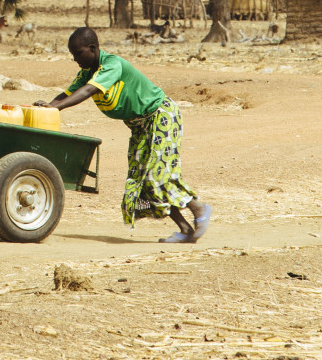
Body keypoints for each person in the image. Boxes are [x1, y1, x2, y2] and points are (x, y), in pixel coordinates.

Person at [40, 25, 212, 244]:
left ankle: (199, 209)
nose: (76, 60)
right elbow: (68, 92)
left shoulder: (112, 64)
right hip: (139, 125)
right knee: (142, 179)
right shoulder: (87, 72)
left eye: (78, 54)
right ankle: (186, 229)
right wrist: (46, 106)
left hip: (160, 116)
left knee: (157, 175)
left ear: (92, 48)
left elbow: (88, 91)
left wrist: (57, 108)